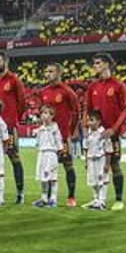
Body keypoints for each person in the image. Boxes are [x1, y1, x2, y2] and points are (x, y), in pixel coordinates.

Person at [87, 53, 126, 210]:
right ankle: (98, 199)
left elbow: (125, 110)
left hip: (112, 134)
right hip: (96, 135)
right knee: (94, 166)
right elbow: (88, 109)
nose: (95, 66)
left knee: (114, 165)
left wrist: (114, 129)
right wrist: (87, 127)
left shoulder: (119, 86)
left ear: (106, 65)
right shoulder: (93, 87)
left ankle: (119, 200)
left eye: (98, 63)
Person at [38, 63, 83, 207]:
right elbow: (42, 113)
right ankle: (48, 198)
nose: (47, 74)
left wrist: (70, 131)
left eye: (51, 71)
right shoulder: (43, 91)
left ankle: (71, 197)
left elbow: (76, 113)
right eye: (46, 71)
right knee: (47, 167)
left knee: (68, 165)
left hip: (62, 136)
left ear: (58, 73)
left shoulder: (67, 92)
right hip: (47, 138)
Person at [0, 53, 28, 204]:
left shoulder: (14, 80)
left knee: (14, 156)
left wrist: (13, 118)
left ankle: (20, 193)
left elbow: (22, 101)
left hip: (9, 125)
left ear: (6, 62)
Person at [32, 105, 63, 208]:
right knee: (42, 178)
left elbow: (59, 144)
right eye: (42, 113)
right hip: (42, 154)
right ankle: (44, 198)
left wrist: (57, 156)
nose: (43, 115)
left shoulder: (55, 129)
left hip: (51, 154)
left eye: (46, 113)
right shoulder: (40, 129)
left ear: (52, 116)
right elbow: (38, 143)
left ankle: (53, 199)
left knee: (52, 178)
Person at [82, 110, 112, 210]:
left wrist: (107, 164)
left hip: (101, 160)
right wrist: (86, 161)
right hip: (91, 160)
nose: (89, 123)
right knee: (93, 181)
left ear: (99, 121)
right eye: (88, 120)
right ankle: (95, 200)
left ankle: (102, 201)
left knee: (102, 181)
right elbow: (86, 148)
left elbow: (108, 150)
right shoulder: (88, 134)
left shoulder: (103, 134)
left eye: (91, 120)